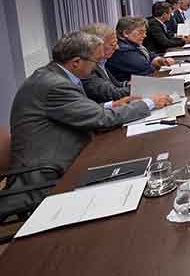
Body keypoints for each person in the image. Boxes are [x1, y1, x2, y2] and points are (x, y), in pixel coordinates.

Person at [4, 32, 171, 210]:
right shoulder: (54, 85)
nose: (96, 67)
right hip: (50, 172)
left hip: (67, 152)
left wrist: (111, 104)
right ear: (76, 62)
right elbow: (100, 119)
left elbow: (75, 110)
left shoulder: (53, 75)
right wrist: (150, 103)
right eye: (95, 62)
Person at [107, 16, 176, 83]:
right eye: (141, 32)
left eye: (145, 32)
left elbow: (149, 55)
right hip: (131, 90)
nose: (144, 35)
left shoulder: (133, 44)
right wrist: (157, 63)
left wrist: (160, 60)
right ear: (126, 33)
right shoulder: (122, 50)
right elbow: (148, 69)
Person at [80, 22, 131, 103]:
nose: (117, 47)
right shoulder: (87, 67)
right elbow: (112, 94)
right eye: (112, 45)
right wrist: (138, 87)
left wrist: (128, 84)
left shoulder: (102, 62)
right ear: (96, 45)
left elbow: (116, 85)